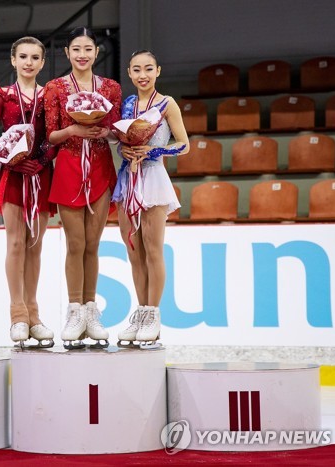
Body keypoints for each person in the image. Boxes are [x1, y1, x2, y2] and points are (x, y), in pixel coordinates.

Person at [43, 27, 122, 348]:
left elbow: (117, 128)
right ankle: (74, 310)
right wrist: (74, 128)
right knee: (75, 244)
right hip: (69, 167)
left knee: (93, 243)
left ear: (96, 52)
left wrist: (108, 133)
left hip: (101, 166)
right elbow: (50, 135)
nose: (82, 54)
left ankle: (92, 311)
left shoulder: (111, 88)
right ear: (67, 53)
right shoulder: (55, 88)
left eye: (88, 48)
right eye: (76, 49)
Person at [0, 36, 56, 348]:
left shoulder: (49, 96)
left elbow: (53, 138)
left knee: (35, 245)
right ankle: (17, 315)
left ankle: (34, 314)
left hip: (40, 175)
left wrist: (40, 161)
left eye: (35, 57)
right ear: (13, 60)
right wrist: (10, 160)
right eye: (23, 56)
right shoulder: (2, 95)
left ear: (42, 63)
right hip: (13, 176)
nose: (28, 62)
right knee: (15, 243)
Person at [112, 50, 189, 348]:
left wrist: (156, 151)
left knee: (153, 248)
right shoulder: (127, 104)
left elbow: (184, 144)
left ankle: (154, 314)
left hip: (153, 178)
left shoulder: (167, 103)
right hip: (128, 178)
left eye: (148, 69)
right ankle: (141, 310)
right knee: (133, 250)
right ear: (129, 74)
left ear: (158, 70)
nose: (142, 74)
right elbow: (121, 139)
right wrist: (125, 151)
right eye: (136, 70)